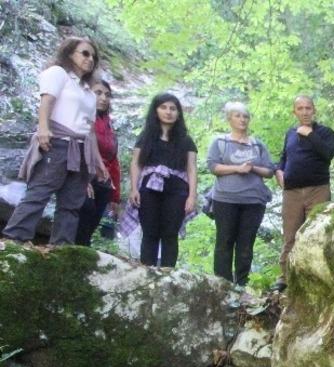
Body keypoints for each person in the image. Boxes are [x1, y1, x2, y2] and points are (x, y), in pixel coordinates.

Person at [3, 36, 106, 245]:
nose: (90, 59)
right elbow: (47, 101)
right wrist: (43, 129)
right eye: (85, 53)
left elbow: (90, 130)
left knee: (71, 203)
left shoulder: (88, 92)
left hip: (81, 148)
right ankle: (15, 241)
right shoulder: (58, 74)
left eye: (93, 56)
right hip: (57, 142)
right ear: (69, 53)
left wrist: (98, 162)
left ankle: (61, 247)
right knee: (38, 193)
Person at [272, 95, 334, 292]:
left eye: (308, 108)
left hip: (317, 189)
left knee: (316, 234)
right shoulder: (290, 133)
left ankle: (316, 276)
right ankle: (285, 277)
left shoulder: (325, 132)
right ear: (295, 112)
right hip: (291, 192)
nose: (305, 112)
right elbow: (284, 157)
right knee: (290, 236)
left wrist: (309, 134)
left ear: (314, 110)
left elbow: (328, 154)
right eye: (300, 108)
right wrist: (278, 172)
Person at [207, 102, 275, 286]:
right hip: (225, 199)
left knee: (246, 244)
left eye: (245, 116)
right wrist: (237, 168)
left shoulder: (258, 145)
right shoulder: (220, 142)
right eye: (237, 115)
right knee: (225, 241)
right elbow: (213, 166)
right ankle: (222, 285)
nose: (242, 119)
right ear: (229, 119)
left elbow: (270, 171)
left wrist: (252, 168)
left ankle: (241, 286)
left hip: (254, 201)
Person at [129, 93, 197, 267]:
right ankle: (146, 272)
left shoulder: (186, 140)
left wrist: (192, 196)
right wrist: (133, 189)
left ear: (178, 113)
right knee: (150, 232)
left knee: (170, 234)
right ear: (156, 111)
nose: (168, 112)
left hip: (177, 190)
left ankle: (168, 274)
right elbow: (136, 164)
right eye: (164, 107)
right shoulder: (145, 137)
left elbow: (191, 169)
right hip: (149, 188)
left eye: (173, 108)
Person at [75, 80, 121, 246]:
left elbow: (114, 160)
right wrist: (82, 177)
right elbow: (76, 147)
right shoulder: (80, 116)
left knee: (92, 221)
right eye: (98, 93)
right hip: (83, 174)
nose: (103, 98)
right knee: (83, 213)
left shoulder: (108, 123)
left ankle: (82, 257)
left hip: (103, 181)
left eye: (107, 95)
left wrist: (115, 197)